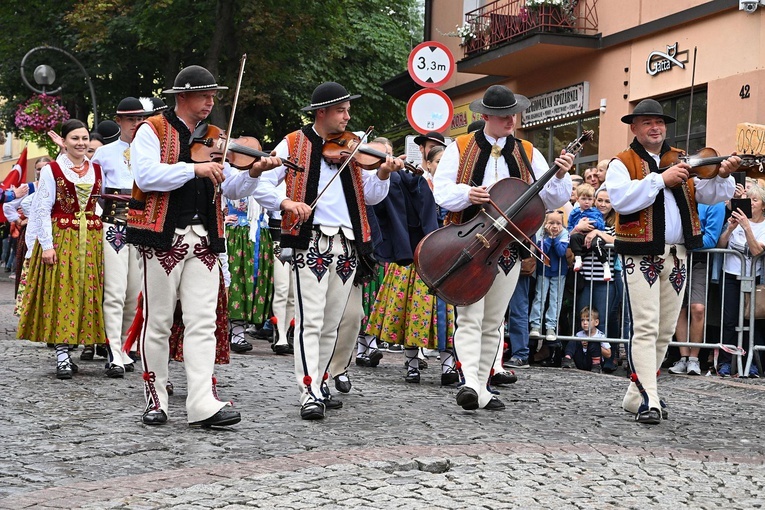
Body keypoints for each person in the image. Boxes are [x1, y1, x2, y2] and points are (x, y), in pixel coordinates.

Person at [128, 65, 281, 427]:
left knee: (203, 322)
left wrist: (253, 173)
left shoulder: (216, 136)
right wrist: (191, 169)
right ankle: (156, 398)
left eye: (214, 96)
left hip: (206, 239)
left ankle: (202, 402)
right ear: (183, 97)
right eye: (205, 96)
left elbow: (230, 189)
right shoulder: (152, 130)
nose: (211, 102)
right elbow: (146, 175)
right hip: (163, 236)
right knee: (159, 321)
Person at [252, 81, 404, 420]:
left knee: (333, 321)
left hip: (349, 242)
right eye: (342, 110)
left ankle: (321, 381)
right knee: (311, 319)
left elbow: (373, 196)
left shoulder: (354, 147)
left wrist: (382, 172)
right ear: (322, 112)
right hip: (311, 240)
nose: (348, 116)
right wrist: (286, 202)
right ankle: (308, 389)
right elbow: (261, 183)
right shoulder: (294, 142)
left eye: (348, 110)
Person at [432, 84, 573, 411]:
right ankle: (468, 382)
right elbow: (441, 191)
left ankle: (482, 386)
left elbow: (550, 198)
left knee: (493, 320)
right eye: (501, 115)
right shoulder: (460, 146)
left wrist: (562, 176)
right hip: (467, 242)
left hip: (508, 248)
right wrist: (469, 194)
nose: (510, 119)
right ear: (485, 117)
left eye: (512, 113)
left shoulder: (527, 151)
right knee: (469, 317)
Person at [606, 98, 738, 424]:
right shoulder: (621, 162)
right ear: (634, 127)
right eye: (648, 122)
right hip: (641, 253)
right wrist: (660, 180)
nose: (656, 128)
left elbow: (711, 195)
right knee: (647, 325)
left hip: (678, 254)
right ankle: (649, 398)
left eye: (660, 122)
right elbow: (622, 200)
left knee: (665, 330)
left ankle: (637, 393)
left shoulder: (683, 158)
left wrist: (720, 176)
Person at [17, 119, 106, 379]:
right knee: (62, 292)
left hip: (90, 240)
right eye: (75, 138)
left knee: (88, 292)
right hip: (62, 236)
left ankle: (88, 344)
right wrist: (46, 245)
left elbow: (98, 208)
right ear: (64, 142)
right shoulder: (52, 170)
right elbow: (42, 207)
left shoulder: (96, 170)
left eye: (84, 138)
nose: (81, 143)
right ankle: (63, 355)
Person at [91, 96, 150, 376]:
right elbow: (92, 192)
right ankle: (113, 350)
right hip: (113, 226)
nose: (136, 124)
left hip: (142, 227)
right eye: (130, 119)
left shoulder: (153, 151)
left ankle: (126, 347)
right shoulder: (103, 154)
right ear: (119, 121)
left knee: (133, 293)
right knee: (114, 291)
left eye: (140, 119)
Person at [670, 200, 726, 376]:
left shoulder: (715, 202)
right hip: (675, 259)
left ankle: (694, 358)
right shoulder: (679, 195)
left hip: (700, 261)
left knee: (698, 308)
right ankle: (683, 357)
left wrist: (681, 241)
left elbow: (711, 238)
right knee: (678, 308)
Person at [716, 184, 765, 377]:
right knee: (729, 321)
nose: (751, 204)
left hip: (754, 277)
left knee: (751, 321)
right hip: (730, 274)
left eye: (755, 200)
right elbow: (721, 245)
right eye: (749, 199)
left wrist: (746, 228)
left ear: (763, 206)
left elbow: (756, 251)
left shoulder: (762, 225)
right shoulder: (736, 221)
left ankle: (750, 363)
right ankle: (726, 363)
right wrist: (730, 229)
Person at [529, 210, 569, 343]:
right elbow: (542, 252)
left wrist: (555, 238)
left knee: (555, 299)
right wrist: (548, 238)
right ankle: (535, 325)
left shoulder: (564, 234)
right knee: (539, 297)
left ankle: (551, 327)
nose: (555, 226)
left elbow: (561, 251)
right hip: (544, 271)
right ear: (545, 224)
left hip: (559, 272)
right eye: (551, 223)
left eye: (558, 223)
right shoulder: (541, 234)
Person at [568, 183, 611, 280]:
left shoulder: (596, 212)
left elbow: (601, 225)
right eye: (583, 199)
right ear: (577, 199)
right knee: (574, 238)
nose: (586, 202)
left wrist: (592, 226)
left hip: (594, 237)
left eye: (589, 199)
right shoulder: (574, 213)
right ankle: (578, 259)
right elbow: (569, 229)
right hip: (580, 237)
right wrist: (578, 227)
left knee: (596, 244)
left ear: (593, 200)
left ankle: (605, 265)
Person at [561, 306, 611, 372]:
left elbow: (608, 354)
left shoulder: (600, 335)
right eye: (582, 320)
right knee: (574, 340)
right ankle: (567, 358)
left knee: (594, 342)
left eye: (588, 320)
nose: (585, 323)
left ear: (596, 322)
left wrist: (593, 345)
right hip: (581, 359)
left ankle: (596, 365)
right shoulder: (579, 334)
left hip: (594, 362)